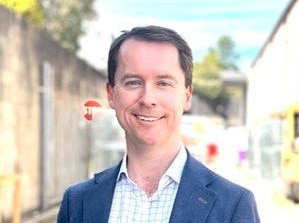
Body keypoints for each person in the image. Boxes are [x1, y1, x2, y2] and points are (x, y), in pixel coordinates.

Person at [57, 25, 260, 223]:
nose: (148, 99)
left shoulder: (233, 206)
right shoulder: (77, 202)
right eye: (133, 82)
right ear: (111, 94)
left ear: (187, 95)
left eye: (163, 83)